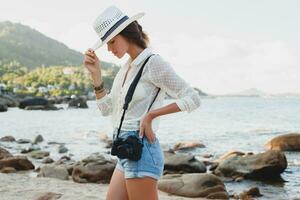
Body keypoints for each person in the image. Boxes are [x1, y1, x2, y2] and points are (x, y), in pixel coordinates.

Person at [84, 5, 201, 200]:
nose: (109, 49)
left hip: (142, 149)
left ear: (127, 34)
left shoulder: (153, 63)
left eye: (112, 41)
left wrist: (152, 115)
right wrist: (96, 75)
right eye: (107, 44)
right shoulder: (125, 69)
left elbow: (193, 98)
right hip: (124, 149)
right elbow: (106, 109)